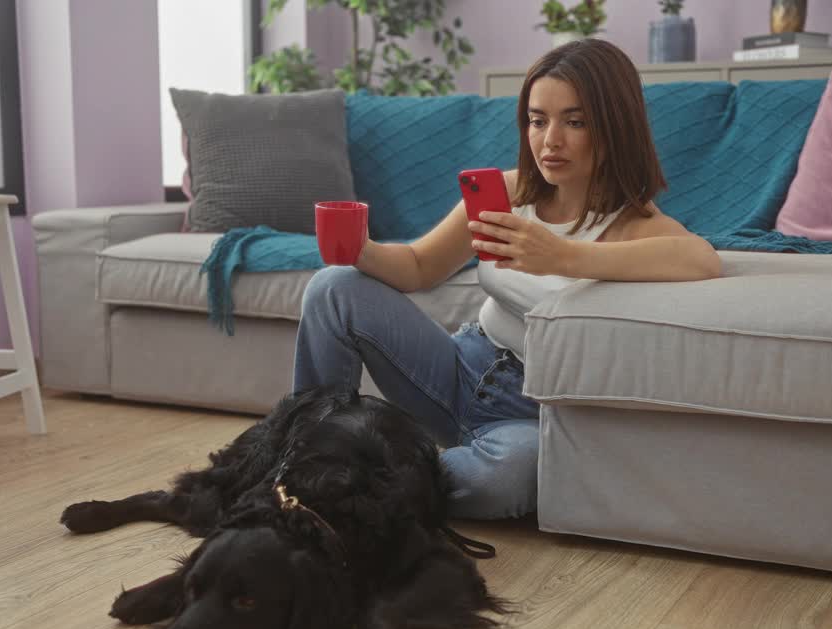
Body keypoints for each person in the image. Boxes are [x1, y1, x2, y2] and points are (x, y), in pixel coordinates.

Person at [293, 39, 721, 519]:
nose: (549, 140)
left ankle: (375, 479)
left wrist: (561, 255)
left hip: (530, 412)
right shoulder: (507, 191)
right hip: (457, 368)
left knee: (505, 478)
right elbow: (418, 266)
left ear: (615, 127)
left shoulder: (636, 227)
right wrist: (361, 251)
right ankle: (309, 458)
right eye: (538, 120)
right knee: (333, 287)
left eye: (574, 122)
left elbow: (701, 259)